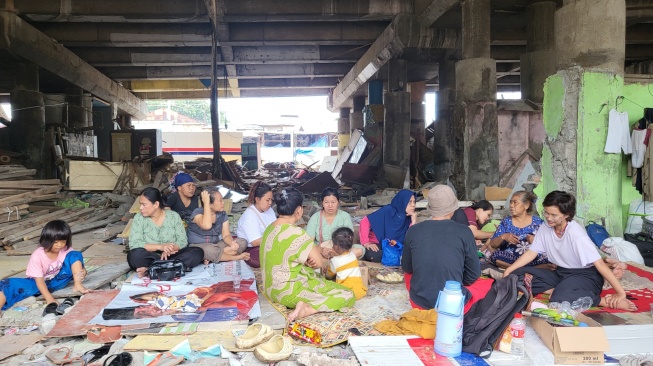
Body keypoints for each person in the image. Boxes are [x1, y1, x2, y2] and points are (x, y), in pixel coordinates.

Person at [504, 191, 637, 311]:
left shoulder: (576, 234)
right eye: (546, 213)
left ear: (566, 215)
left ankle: (603, 301)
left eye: (553, 215)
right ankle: (563, 289)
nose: (548, 218)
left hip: (586, 276)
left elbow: (600, 265)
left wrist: (620, 293)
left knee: (559, 298)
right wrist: (508, 270)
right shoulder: (546, 227)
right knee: (515, 276)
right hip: (560, 273)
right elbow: (531, 253)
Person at [260, 188, 355, 322]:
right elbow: (319, 263)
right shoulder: (297, 233)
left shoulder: (269, 228)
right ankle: (307, 309)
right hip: (287, 293)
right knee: (348, 295)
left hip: (270, 289)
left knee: (311, 274)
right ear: (299, 210)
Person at [402, 185, 490, 313]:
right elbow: (473, 274)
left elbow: (407, 268)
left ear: (431, 208)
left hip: (419, 302)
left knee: (408, 275)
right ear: (453, 208)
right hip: (452, 303)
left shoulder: (413, 230)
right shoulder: (465, 232)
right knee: (484, 284)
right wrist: (456, 283)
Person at [0, 220, 89, 313]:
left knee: (75, 254)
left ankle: (78, 285)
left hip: (58, 280)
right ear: (46, 240)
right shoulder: (37, 255)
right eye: (56, 242)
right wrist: (49, 299)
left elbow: (75, 261)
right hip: (38, 284)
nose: (60, 245)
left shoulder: (66, 249)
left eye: (63, 241)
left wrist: (83, 270)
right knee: (6, 283)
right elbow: (39, 281)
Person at [128, 187, 204, 277]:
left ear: (156, 204)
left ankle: (152, 269)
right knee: (134, 256)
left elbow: (182, 240)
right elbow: (135, 243)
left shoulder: (173, 216)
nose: (141, 208)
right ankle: (172, 268)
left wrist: (170, 249)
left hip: (172, 255)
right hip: (151, 256)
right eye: (140, 204)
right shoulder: (139, 218)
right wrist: (161, 247)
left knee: (197, 252)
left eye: (144, 205)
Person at [483, 191, 550, 269]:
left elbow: (548, 243)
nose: (511, 206)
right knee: (496, 256)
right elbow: (493, 244)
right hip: (512, 259)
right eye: (511, 203)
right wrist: (503, 237)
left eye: (515, 203)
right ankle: (529, 268)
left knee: (550, 259)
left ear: (526, 205)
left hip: (532, 258)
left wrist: (536, 240)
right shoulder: (506, 221)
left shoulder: (538, 222)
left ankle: (517, 268)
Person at [187, 188, 250, 263]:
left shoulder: (222, 214)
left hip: (216, 245)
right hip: (199, 246)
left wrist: (231, 243)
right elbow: (207, 226)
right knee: (212, 250)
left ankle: (212, 257)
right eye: (220, 200)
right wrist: (206, 203)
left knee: (242, 242)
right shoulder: (197, 212)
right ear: (210, 204)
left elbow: (226, 235)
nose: (223, 203)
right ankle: (235, 257)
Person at [305, 187, 365, 260]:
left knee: (359, 250)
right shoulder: (315, 217)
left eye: (333, 202)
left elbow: (349, 238)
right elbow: (309, 242)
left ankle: (334, 258)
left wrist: (337, 250)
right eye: (326, 202)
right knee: (308, 252)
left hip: (341, 249)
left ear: (338, 202)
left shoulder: (344, 216)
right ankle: (340, 260)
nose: (330, 205)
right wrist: (320, 250)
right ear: (322, 203)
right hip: (322, 250)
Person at [360, 189, 417, 263]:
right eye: (410, 202)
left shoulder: (408, 218)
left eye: (414, 202)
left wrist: (414, 221)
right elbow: (365, 221)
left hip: (394, 246)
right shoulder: (387, 210)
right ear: (402, 201)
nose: (413, 205)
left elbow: (410, 239)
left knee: (413, 253)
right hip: (378, 244)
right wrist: (366, 243)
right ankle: (395, 258)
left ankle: (393, 257)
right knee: (373, 255)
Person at [236, 181, 275, 268]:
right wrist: (277, 241)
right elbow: (256, 242)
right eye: (267, 200)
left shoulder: (269, 210)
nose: (270, 203)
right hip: (253, 248)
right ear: (257, 199)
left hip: (269, 242)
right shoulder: (249, 216)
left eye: (271, 199)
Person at [326, 227, 367, 300]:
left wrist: (326, 270)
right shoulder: (353, 255)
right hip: (359, 291)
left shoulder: (335, 261)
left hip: (347, 293)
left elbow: (328, 275)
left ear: (336, 246)